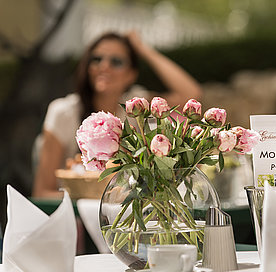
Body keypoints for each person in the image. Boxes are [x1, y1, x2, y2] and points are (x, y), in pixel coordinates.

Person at [32, 31, 202, 198]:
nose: (104, 66)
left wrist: (143, 49)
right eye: (96, 59)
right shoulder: (63, 112)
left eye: (116, 61)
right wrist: (93, 201)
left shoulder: (135, 108)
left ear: (131, 74)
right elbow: (42, 193)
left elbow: (190, 93)